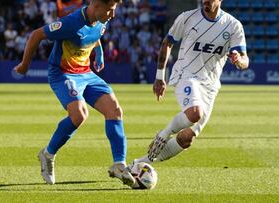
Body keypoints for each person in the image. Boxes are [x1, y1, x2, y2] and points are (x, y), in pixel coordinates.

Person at [14, 0, 135, 186]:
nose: (113, 15)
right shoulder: (70, 23)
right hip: (63, 74)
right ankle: (48, 154)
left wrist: (100, 53)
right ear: (96, 5)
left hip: (86, 73)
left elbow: (95, 34)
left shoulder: (102, 18)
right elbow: (36, 35)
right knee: (79, 115)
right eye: (110, 10)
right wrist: (24, 65)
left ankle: (119, 164)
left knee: (115, 111)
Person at [131, 0, 249, 166]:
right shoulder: (187, 18)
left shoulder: (232, 25)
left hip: (210, 86)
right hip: (186, 75)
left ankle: (140, 163)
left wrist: (239, 60)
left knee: (187, 138)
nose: (205, 1)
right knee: (194, 113)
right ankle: (163, 134)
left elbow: (245, 60)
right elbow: (167, 43)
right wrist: (160, 76)